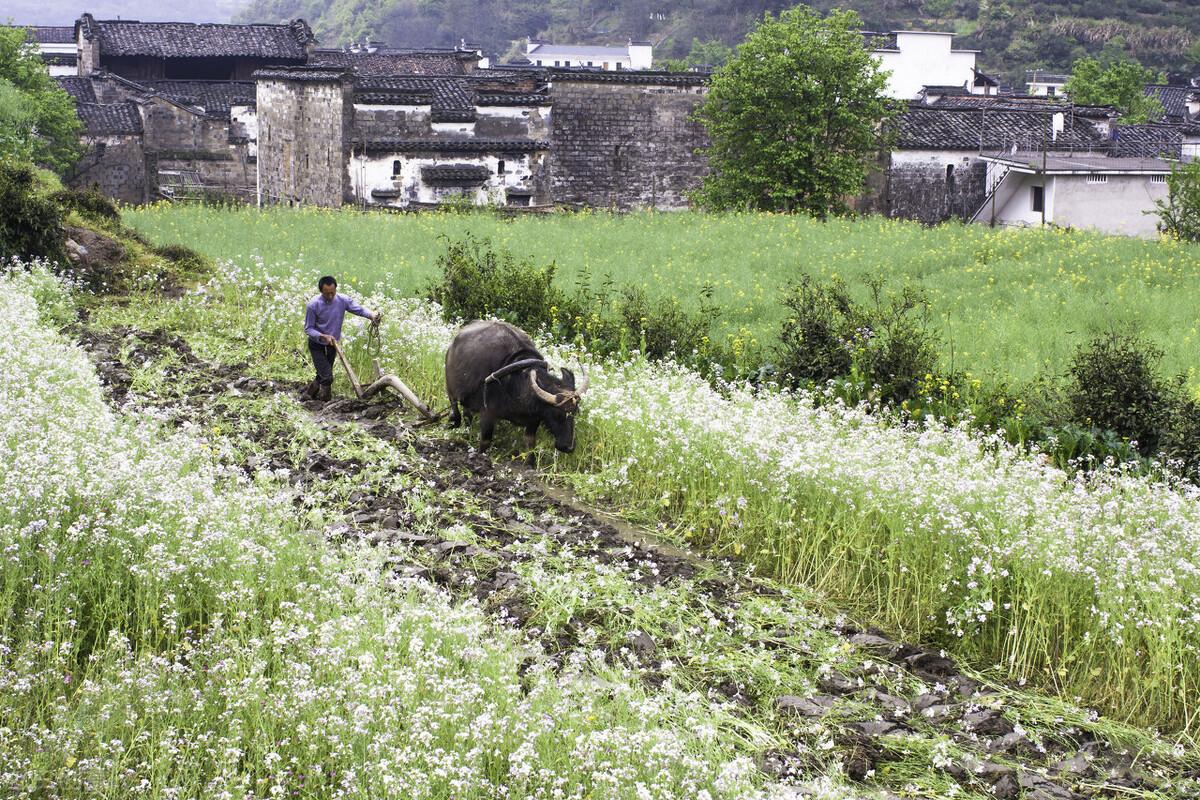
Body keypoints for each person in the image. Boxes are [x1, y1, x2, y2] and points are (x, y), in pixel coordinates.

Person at [301, 275, 380, 401]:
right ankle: (324, 401)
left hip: (333, 344)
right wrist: (322, 336)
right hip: (317, 345)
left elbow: (358, 309)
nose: (330, 296)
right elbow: (308, 328)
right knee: (327, 377)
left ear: (336, 289)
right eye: (327, 293)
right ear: (321, 291)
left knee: (322, 374)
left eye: (333, 292)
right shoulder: (313, 305)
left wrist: (371, 315)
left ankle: (308, 395)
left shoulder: (342, 300)